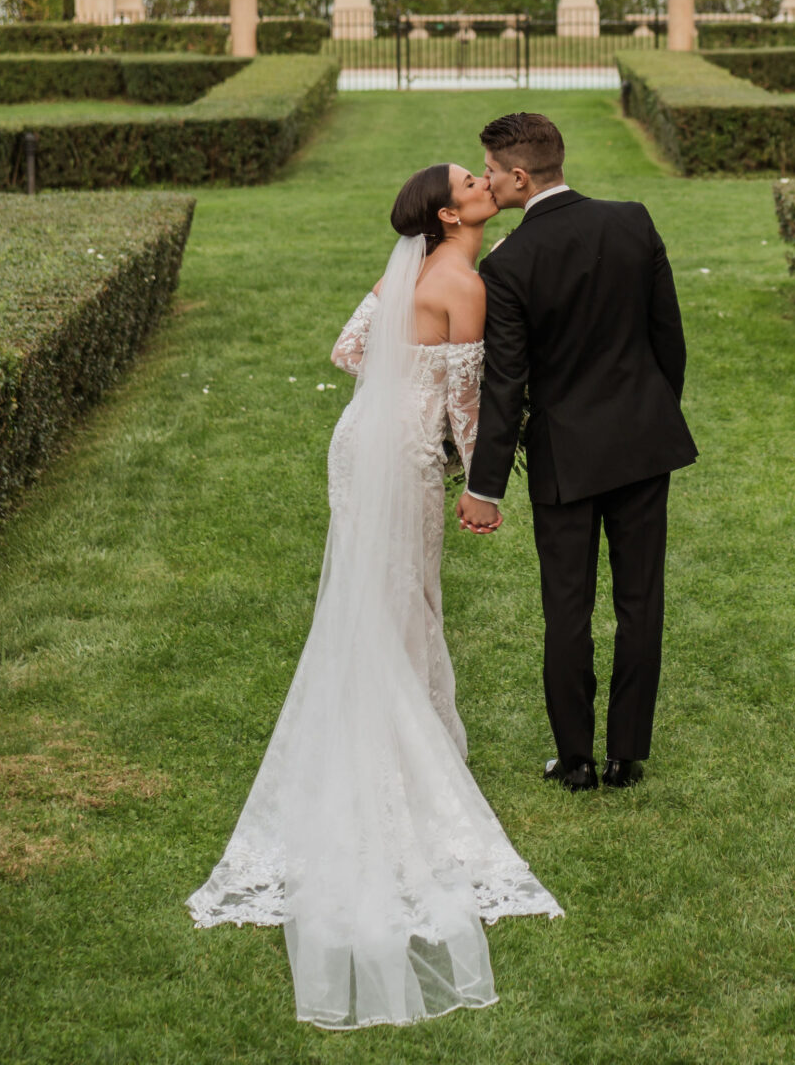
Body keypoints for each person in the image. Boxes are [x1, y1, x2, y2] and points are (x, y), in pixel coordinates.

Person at [188, 163, 561, 1032]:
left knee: (378, 597)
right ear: (449, 211)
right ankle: (400, 753)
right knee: (401, 600)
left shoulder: (411, 270)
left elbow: (350, 351)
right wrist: (484, 483)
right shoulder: (462, 282)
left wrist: (404, 375)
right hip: (402, 458)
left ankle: (389, 725)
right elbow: (469, 407)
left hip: (359, 440)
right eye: (473, 181)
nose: (484, 183)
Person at [457, 113, 697, 793]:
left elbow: (506, 384)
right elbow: (666, 340)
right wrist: (651, 412)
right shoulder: (632, 220)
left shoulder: (508, 264)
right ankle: (626, 754)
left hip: (565, 458)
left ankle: (575, 760)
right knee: (639, 600)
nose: (489, 180)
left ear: (520, 175)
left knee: (566, 608)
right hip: (642, 444)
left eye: (493, 170)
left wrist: (485, 485)